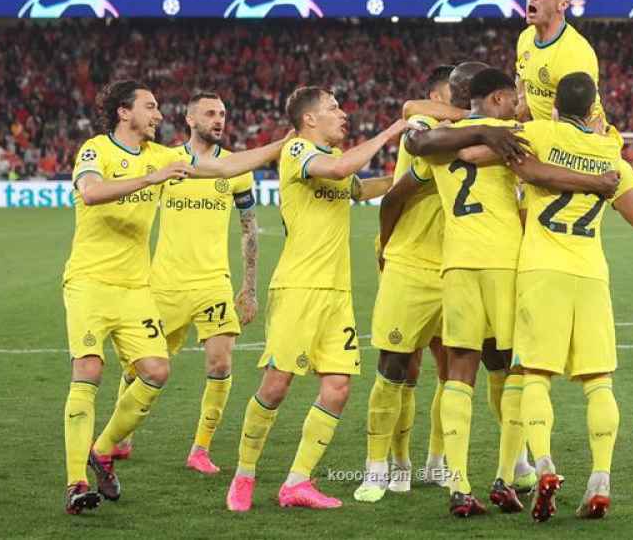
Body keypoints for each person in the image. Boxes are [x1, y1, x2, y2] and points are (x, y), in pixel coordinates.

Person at [62, 79, 287, 515]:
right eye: (150, 107)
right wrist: (151, 178)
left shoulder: (163, 156)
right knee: (89, 370)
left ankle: (103, 449)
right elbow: (90, 192)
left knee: (156, 371)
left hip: (135, 288)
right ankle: (76, 483)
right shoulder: (97, 150)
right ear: (124, 112)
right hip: (90, 281)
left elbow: (225, 167)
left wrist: (282, 143)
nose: (158, 114)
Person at [402, 68, 616, 518]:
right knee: (516, 371)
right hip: (507, 262)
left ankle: (458, 485)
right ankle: (505, 476)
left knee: (459, 371)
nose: (521, 103)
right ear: (498, 98)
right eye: (515, 96)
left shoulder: (440, 137)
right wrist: (598, 179)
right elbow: (548, 170)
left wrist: (471, 126)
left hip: (457, 262)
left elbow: (415, 136)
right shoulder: (513, 134)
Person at [405, 0, 633, 262]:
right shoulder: (526, 39)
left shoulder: (574, 53)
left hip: (585, 143)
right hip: (543, 137)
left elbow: (575, 120)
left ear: (563, 4)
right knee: (500, 189)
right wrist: (500, 123)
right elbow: (522, 98)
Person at [225, 86, 406, 512]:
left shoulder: (331, 160)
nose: (343, 114)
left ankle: (297, 481)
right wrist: (391, 132)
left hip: (337, 292)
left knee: (338, 388)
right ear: (309, 119)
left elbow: (360, 187)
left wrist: (409, 177)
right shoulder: (297, 151)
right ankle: (244, 475)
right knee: (276, 385)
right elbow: (341, 169)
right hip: (299, 287)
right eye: (333, 108)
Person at [495, 72, 626, 523]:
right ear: (592, 110)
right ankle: (601, 479)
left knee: (535, 374)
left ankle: (545, 464)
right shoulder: (610, 149)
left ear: (554, 107)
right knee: (599, 381)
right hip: (591, 272)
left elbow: (496, 147)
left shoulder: (537, 132)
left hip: (542, 269)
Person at [108, 91, 261, 475]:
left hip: (214, 283)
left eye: (222, 113)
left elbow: (249, 230)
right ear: (190, 119)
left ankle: (201, 449)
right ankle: (120, 436)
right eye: (210, 113)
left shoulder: (237, 169)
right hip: (165, 284)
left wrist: (250, 287)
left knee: (221, 362)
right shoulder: (166, 160)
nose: (218, 119)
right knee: (140, 367)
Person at [354, 65, 455, 503]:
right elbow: (394, 197)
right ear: (436, 96)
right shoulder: (423, 126)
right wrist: (386, 245)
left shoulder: (472, 133)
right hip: (410, 262)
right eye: (453, 94)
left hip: (456, 266)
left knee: (452, 370)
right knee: (399, 367)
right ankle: (387, 464)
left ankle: (438, 459)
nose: (462, 102)